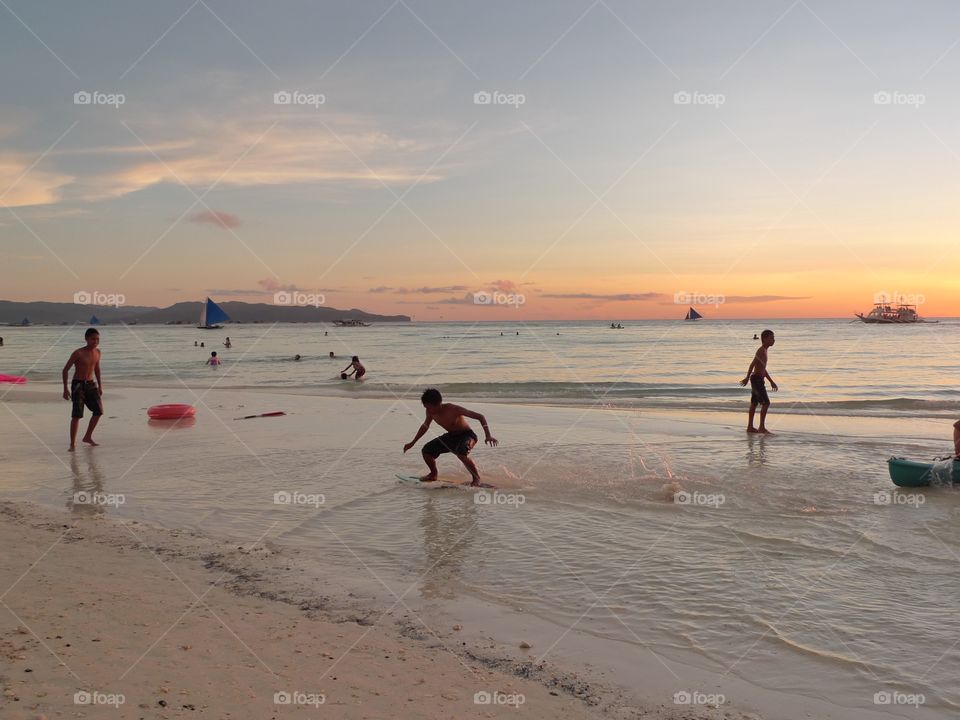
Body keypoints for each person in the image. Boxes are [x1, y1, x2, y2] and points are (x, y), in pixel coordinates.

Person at [403, 388, 498, 485]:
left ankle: (476, 478)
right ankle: (433, 474)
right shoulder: (430, 412)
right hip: (451, 436)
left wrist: (488, 435)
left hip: (467, 435)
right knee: (426, 451)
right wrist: (412, 442)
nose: (427, 409)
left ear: (438, 403)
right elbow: (425, 426)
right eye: (425, 407)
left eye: (428, 407)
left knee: (461, 454)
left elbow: (480, 417)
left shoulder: (453, 409)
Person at [62, 328, 103, 451]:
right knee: (77, 415)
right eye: (93, 339)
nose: (95, 342)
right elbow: (65, 370)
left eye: (97, 339)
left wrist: (100, 386)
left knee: (98, 411)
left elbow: (97, 369)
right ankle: (72, 444)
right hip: (78, 385)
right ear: (86, 339)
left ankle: (87, 436)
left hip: (91, 384)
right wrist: (65, 389)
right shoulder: (78, 353)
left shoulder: (98, 352)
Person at [740, 330, 778, 434]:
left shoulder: (765, 351)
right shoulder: (761, 350)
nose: (773, 340)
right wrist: (747, 378)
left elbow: (763, 369)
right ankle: (761, 427)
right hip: (756, 379)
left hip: (758, 379)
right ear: (765, 339)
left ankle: (750, 427)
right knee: (766, 403)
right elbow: (752, 364)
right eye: (771, 338)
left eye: (773, 338)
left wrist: (771, 381)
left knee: (754, 403)